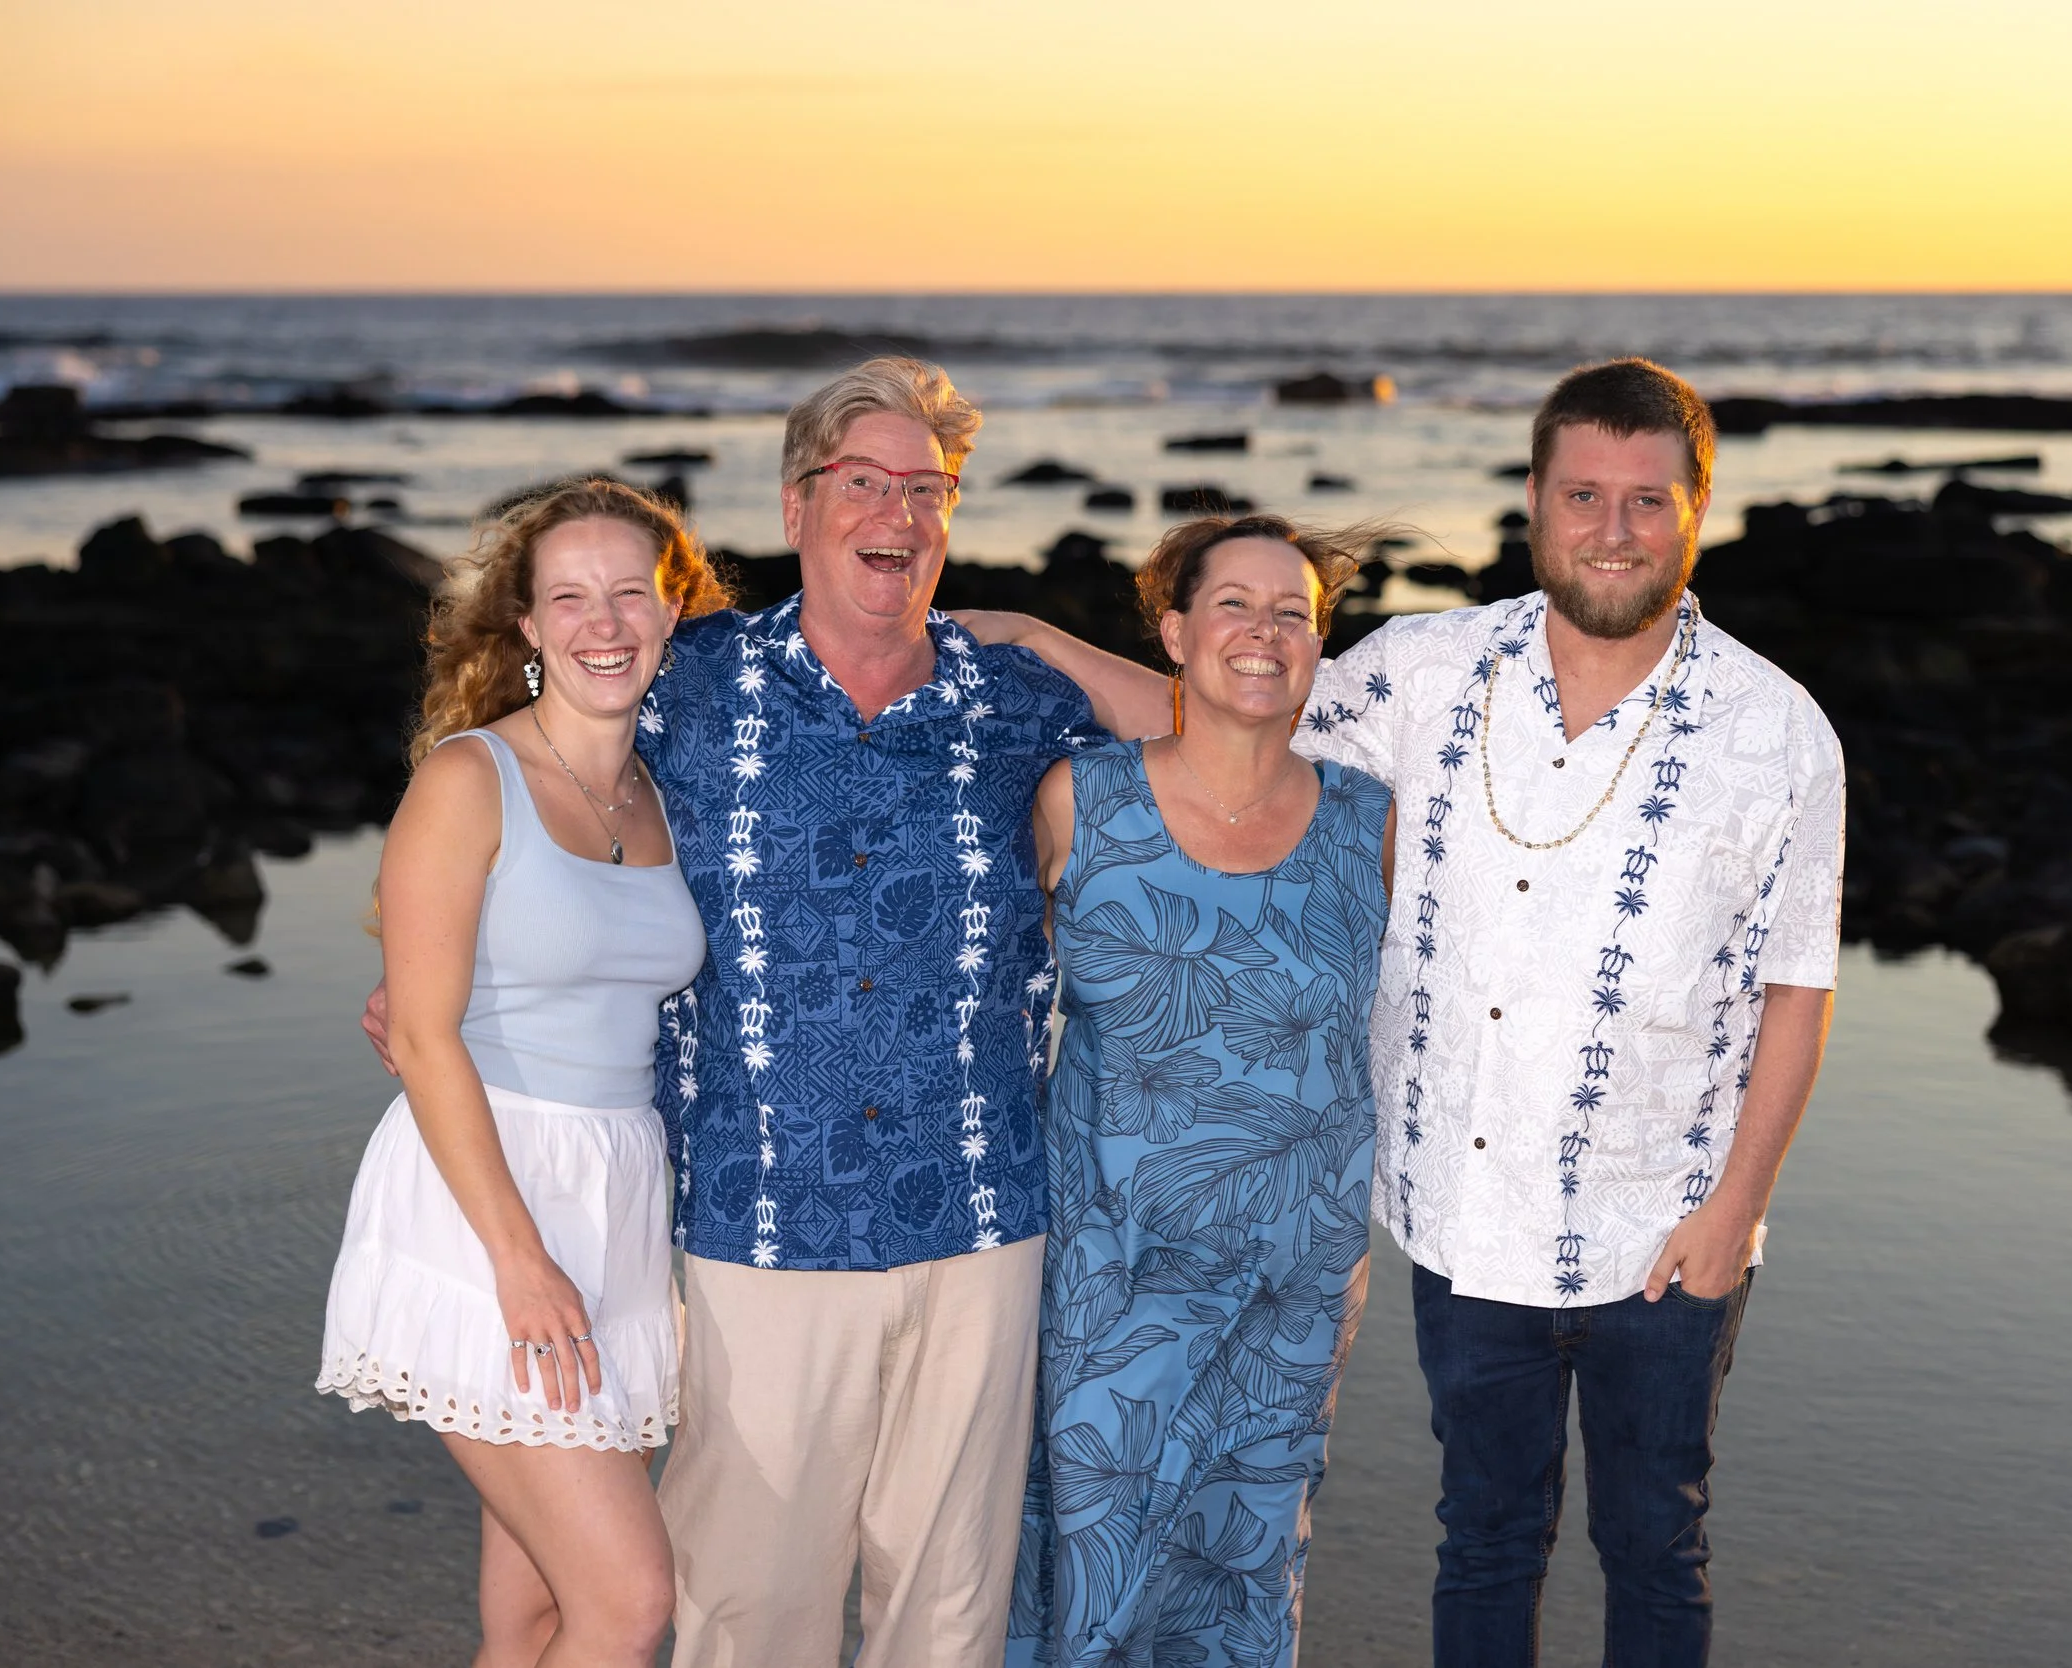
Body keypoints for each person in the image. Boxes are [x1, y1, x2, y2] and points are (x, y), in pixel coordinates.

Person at [962, 357, 1844, 1668]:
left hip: (1664, 1224)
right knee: (1483, 1535)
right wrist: (1041, 644)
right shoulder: (1432, 670)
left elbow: (1797, 987)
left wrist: (1733, 1212)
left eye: (1647, 502)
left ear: (1697, 509)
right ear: (1537, 504)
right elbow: (1237, 722)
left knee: (1655, 1540)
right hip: (1463, 1219)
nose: (1614, 529)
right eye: (1584, 496)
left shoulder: (1777, 731)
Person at [374, 358, 1105, 1666]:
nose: (896, 512)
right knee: (744, 1608)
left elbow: (1233, 738)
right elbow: (533, 786)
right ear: (795, 506)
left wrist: (1046, 635)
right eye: (862, 482)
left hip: (983, 1211)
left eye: (925, 488)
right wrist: (446, 987)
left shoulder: (1015, 700)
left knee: (949, 1613)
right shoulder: (689, 680)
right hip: (761, 1222)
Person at [319, 477, 728, 1668]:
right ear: (529, 629)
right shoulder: (468, 779)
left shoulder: (662, 789)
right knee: (630, 1600)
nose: (603, 623)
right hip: (489, 1200)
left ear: (673, 611)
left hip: (618, 1199)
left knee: (541, 1610)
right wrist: (518, 1260)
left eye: (629, 594)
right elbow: (428, 1036)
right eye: (568, 598)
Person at [1007, 517, 1397, 1668]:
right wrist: (1032, 634)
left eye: (1293, 613)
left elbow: (1381, 1042)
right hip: (1110, 1265)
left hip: (1293, 1275)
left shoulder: (1368, 824)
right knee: (1088, 1556)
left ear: (1320, 647)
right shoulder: (1084, 800)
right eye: (1233, 604)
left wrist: (1360, 1247)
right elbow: (983, 999)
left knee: (1240, 1576)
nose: (1264, 633)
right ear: (1173, 632)